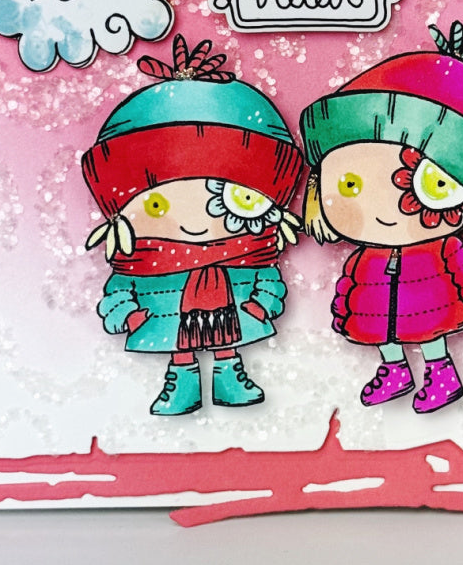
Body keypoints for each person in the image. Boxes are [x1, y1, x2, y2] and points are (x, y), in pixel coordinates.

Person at [300, 21, 463, 413]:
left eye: (431, 185)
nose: (387, 207)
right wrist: (344, 306)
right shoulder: (366, 256)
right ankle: (395, 370)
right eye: (350, 184)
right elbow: (352, 278)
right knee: (386, 340)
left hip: (433, 306)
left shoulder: (444, 248)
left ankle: (441, 372)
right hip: (376, 310)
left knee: (431, 336)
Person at [81, 35, 303, 415]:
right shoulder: (140, 260)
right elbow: (120, 289)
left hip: (235, 315)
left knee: (226, 348)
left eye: (224, 201)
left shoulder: (251, 252)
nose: (197, 222)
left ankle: (229, 377)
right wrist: (129, 315)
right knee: (180, 351)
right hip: (165, 319)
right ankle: (181, 383)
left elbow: (266, 278)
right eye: (156, 205)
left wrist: (260, 306)